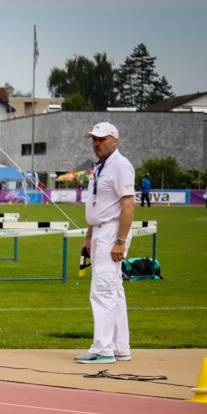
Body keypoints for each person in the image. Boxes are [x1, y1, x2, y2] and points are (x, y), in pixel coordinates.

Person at [75, 122, 135, 365]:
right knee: (114, 290)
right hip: (101, 230)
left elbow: (128, 204)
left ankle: (103, 348)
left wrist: (119, 241)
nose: (96, 143)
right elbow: (98, 205)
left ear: (115, 140)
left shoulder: (120, 165)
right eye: (94, 139)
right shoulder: (100, 167)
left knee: (102, 290)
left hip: (112, 231)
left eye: (101, 139)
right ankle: (120, 347)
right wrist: (89, 237)